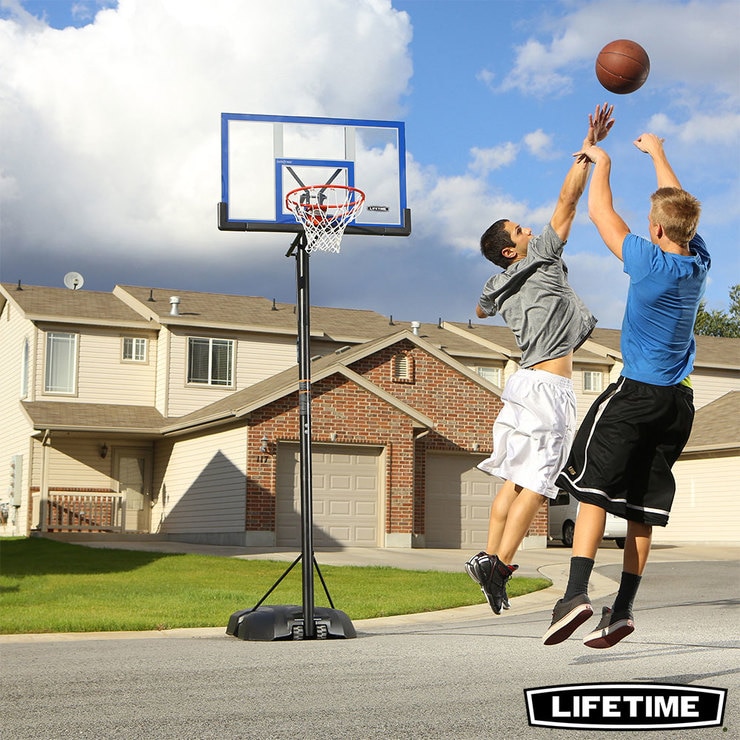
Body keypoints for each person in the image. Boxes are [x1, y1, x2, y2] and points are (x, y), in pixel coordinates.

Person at [542, 133, 710, 648]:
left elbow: (599, 211)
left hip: (635, 394)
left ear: (655, 229)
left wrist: (604, 160)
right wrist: (659, 155)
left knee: (590, 488)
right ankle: (624, 609)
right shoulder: (698, 262)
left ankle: (575, 594)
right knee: (640, 509)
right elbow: (679, 207)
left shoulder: (646, 260)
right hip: (679, 405)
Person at [465, 104, 614, 614]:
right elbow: (567, 201)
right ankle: (500, 564)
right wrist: (587, 150)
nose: (530, 230)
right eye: (520, 231)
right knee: (538, 481)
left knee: (512, 477)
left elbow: (480, 308)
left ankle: (487, 556)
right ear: (511, 250)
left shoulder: (499, 282)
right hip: (548, 387)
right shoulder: (540, 258)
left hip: (520, 384)